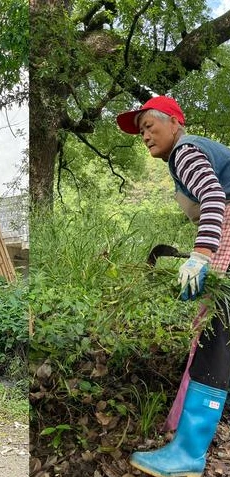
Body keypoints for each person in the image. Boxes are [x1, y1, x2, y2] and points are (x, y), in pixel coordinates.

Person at [117, 96, 230, 477]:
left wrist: (200, 254)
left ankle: (189, 453)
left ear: (176, 124)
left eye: (151, 126)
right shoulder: (187, 155)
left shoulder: (186, 151)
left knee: (219, 332)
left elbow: (214, 197)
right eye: (141, 131)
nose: (145, 135)